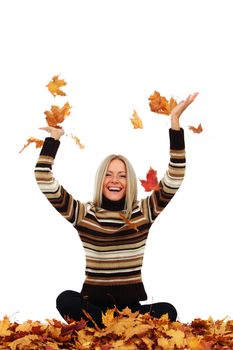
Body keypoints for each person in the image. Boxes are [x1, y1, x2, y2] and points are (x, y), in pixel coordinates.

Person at [35, 93, 198, 327]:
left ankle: (113, 328)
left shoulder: (143, 213)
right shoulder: (83, 215)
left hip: (131, 312)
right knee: (66, 300)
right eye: (109, 174)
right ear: (101, 180)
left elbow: (175, 176)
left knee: (168, 311)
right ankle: (116, 329)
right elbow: (43, 178)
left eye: (122, 175)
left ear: (129, 181)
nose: (115, 180)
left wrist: (174, 123)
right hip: (94, 308)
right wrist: (53, 140)